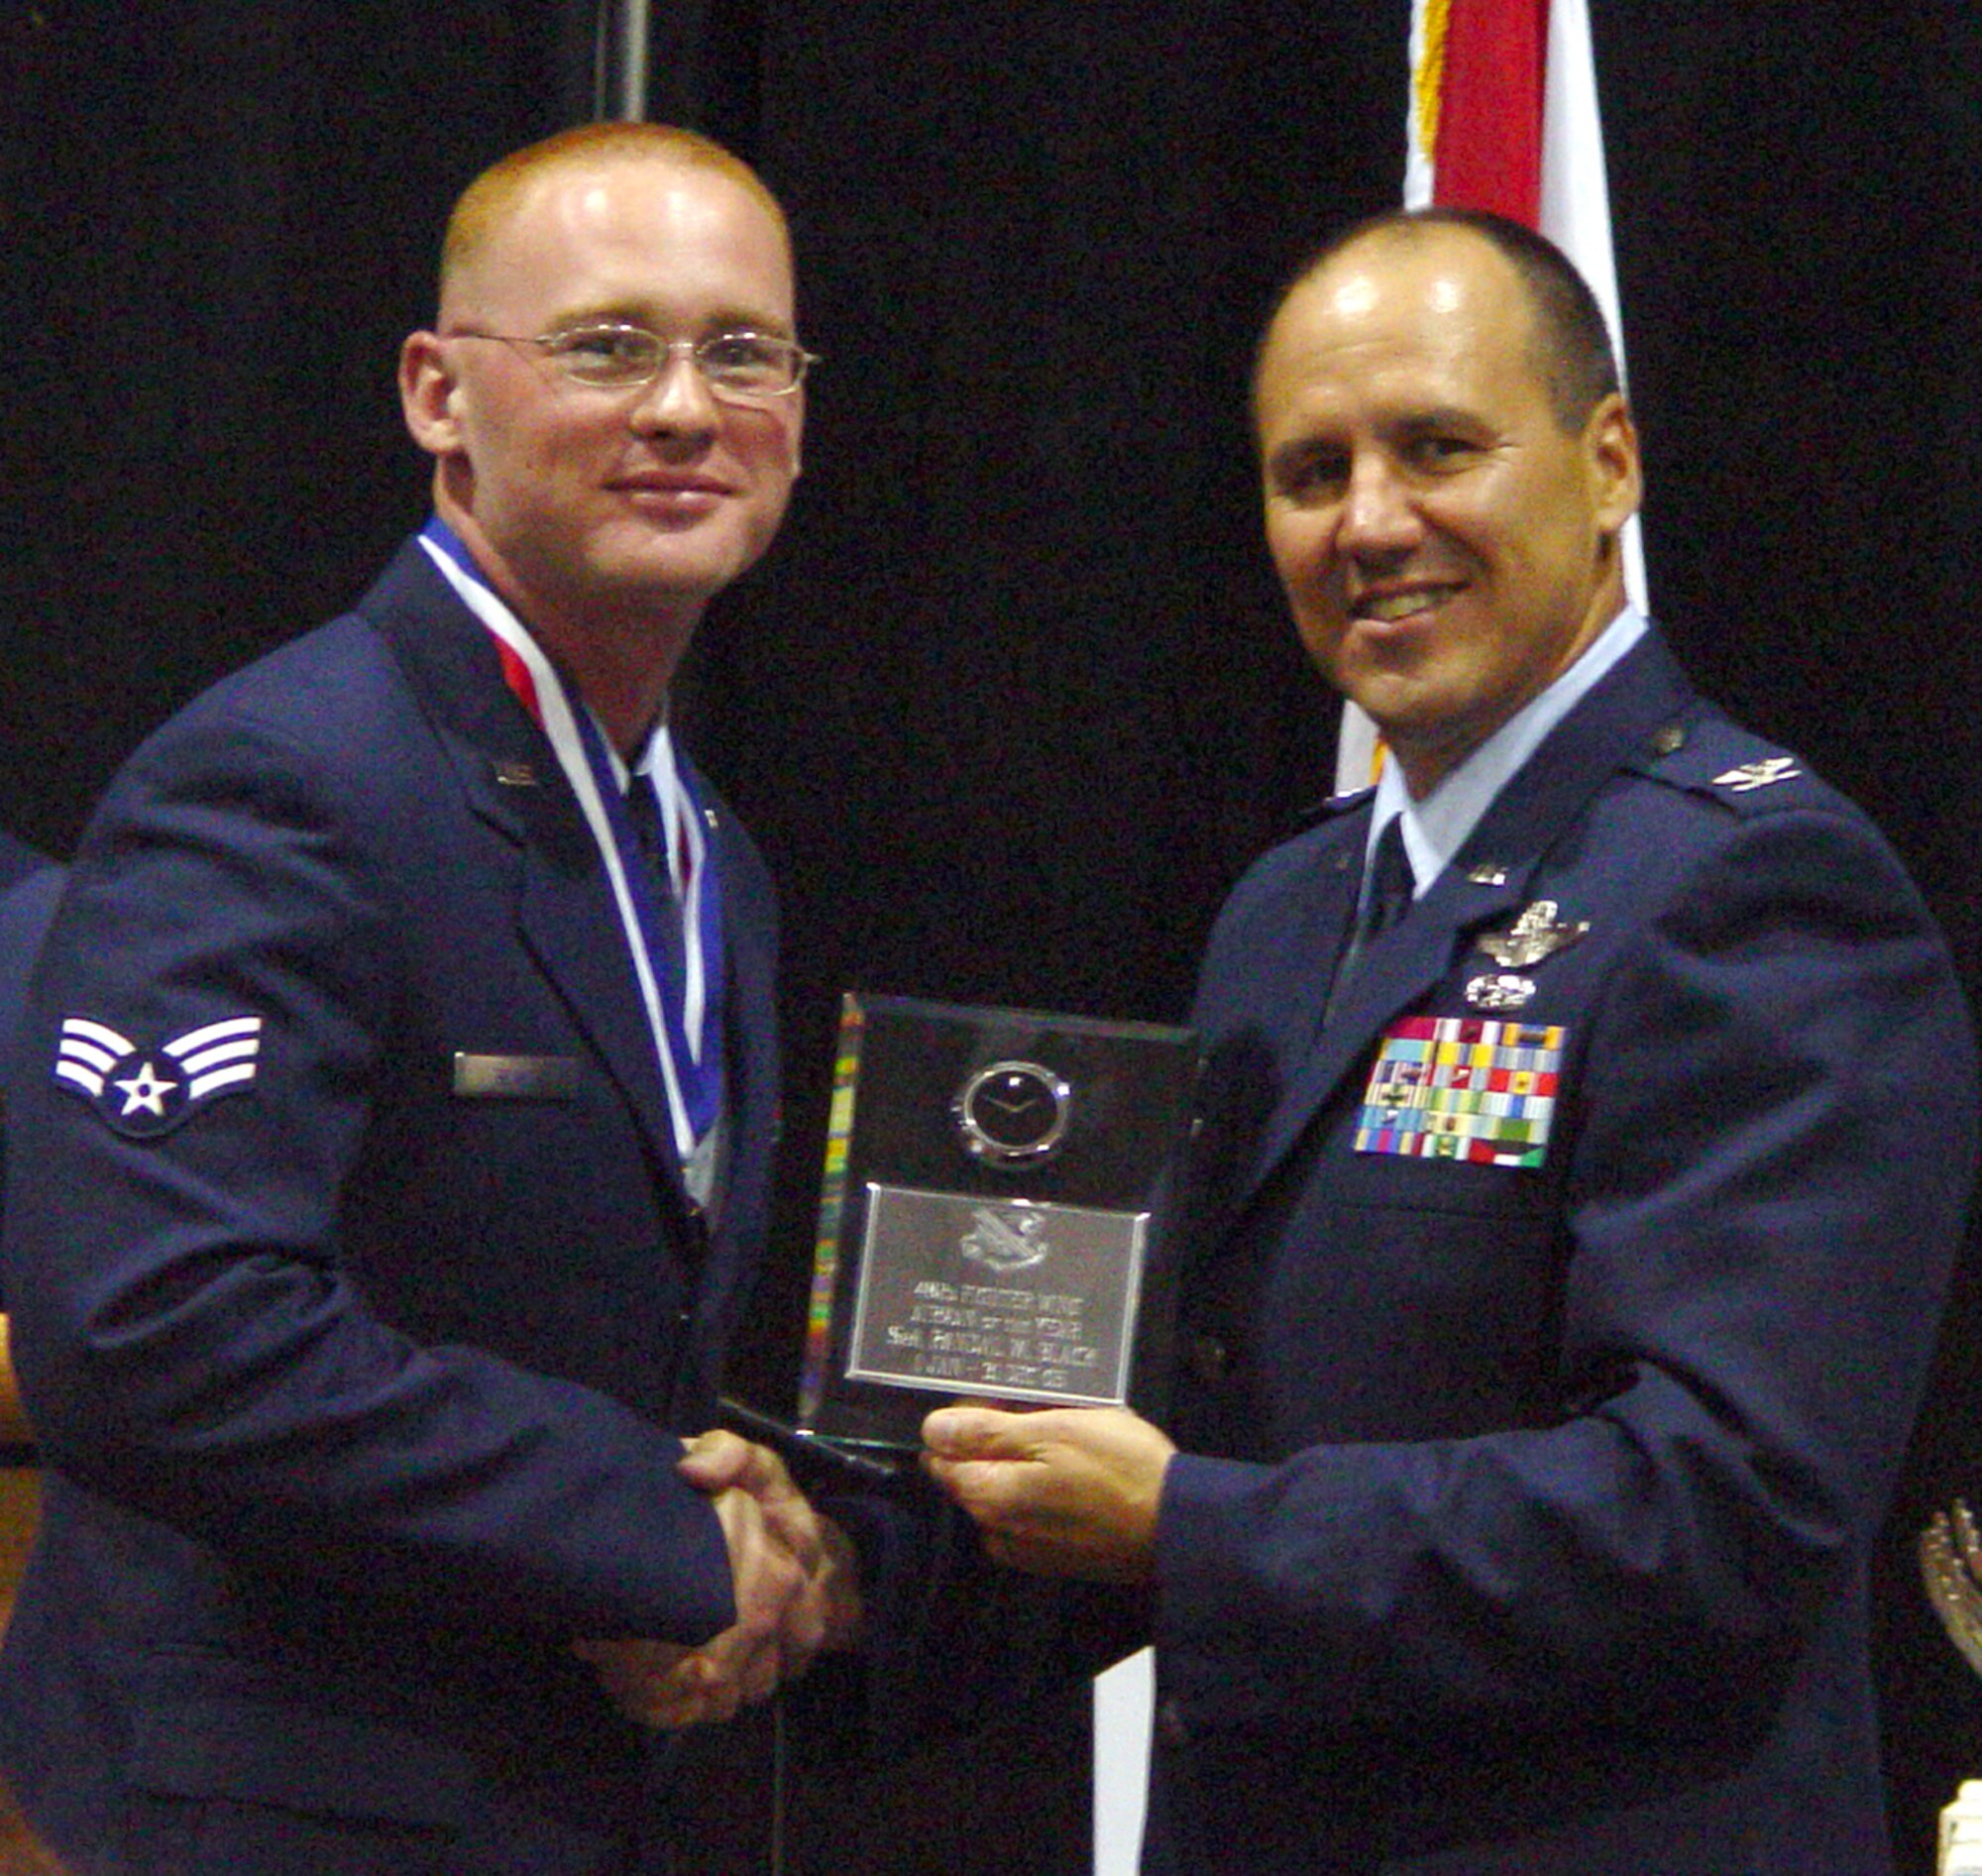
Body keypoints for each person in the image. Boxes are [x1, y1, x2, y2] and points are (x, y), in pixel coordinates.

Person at [923, 209, 1979, 1872]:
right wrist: (843, 1554)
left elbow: (1720, 1508)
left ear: (1610, 459)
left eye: (1438, 448)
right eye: (1309, 471)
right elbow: (1201, 1395)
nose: (1372, 523)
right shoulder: (1284, 908)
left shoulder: (1755, 881)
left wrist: (1188, 1526)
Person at [0, 122, 852, 1876]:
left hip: (581, 1790)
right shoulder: (279, 777)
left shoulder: (712, 854)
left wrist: (787, 1536)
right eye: (608, 344)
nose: (687, 407)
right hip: (283, 1809)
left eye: (742, 351)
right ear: (435, 395)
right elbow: (152, 1337)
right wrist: (658, 1537)